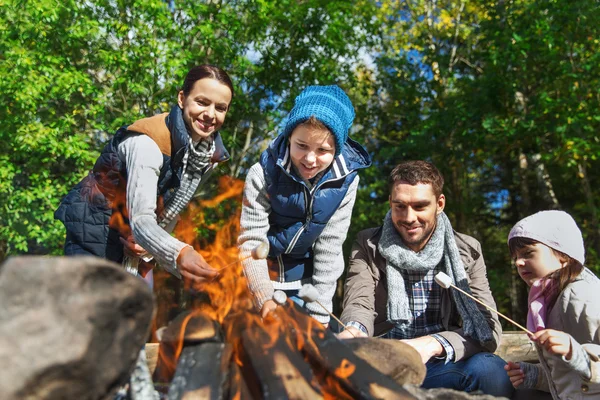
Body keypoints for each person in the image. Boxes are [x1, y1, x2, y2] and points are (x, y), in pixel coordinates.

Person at [338, 160, 513, 397]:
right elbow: (359, 303)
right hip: (384, 361)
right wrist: (353, 330)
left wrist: (432, 344)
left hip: (442, 362)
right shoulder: (367, 244)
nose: (409, 217)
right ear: (390, 202)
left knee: (490, 370)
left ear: (439, 204)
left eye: (420, 206)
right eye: (400, 206)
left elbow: (488, 326)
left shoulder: (467, 250)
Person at [55, 65, 234, 285]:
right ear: (182, 98)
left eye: (220, 108)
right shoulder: (148, 144)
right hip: (94, 240)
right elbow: (141, 221)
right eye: (202, 102)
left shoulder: (204, 158)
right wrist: (179, 253)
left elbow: (169, 212)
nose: (210, 114)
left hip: (134, 253)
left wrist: (152, 250)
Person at [238, 85, 371, 325]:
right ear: (289, 137)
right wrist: (264, 298)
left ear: (337, 149)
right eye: (301, 146)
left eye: (323, 150)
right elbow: (252, 242)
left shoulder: (346, 181)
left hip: (306, 287)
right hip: (258, 280)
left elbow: (329, 249)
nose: (310, 159)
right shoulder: (262, 174)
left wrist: (319, 318)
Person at [504, 210, 600, 399]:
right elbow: (572, 376)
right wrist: (536, 375)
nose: (518, 262)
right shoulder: (549, 300)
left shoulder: (582, 295)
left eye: (528, 253)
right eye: (516, 257)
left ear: (563, 256)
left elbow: (585, 364)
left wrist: (576, 353)